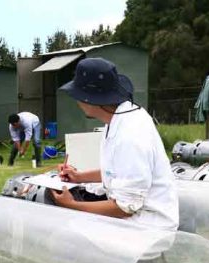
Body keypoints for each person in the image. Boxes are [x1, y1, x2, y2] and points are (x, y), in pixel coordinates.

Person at [52, 57, 178, 231]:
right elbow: (117, 172)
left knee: (67, 233)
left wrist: (72, 205)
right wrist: (79, 177)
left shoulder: (130, 135)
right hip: (136, 219)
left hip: (147, 228)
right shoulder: (121, 117)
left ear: (89, 99)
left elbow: (125, 208)